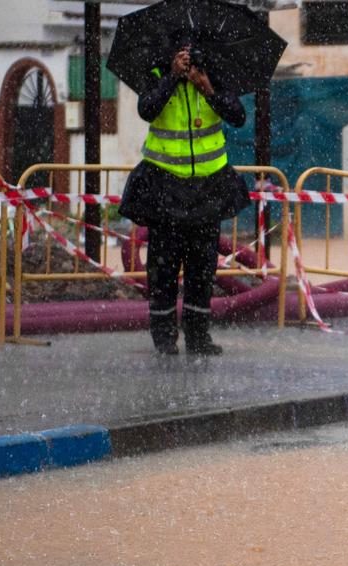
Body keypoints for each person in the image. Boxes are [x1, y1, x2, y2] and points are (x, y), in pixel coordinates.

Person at [119, 36, 249, 356]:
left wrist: (208, 88)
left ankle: (198, 337)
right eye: (182, 52)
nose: (188, 57)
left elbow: (238, 115)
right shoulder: (156, 74)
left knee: (202, 269)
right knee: (163, 271)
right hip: (165, 189)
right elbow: (147, 110)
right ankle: (164, 340)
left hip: (208, 189)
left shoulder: (213, 74)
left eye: (192, 52)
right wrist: (172, 78)